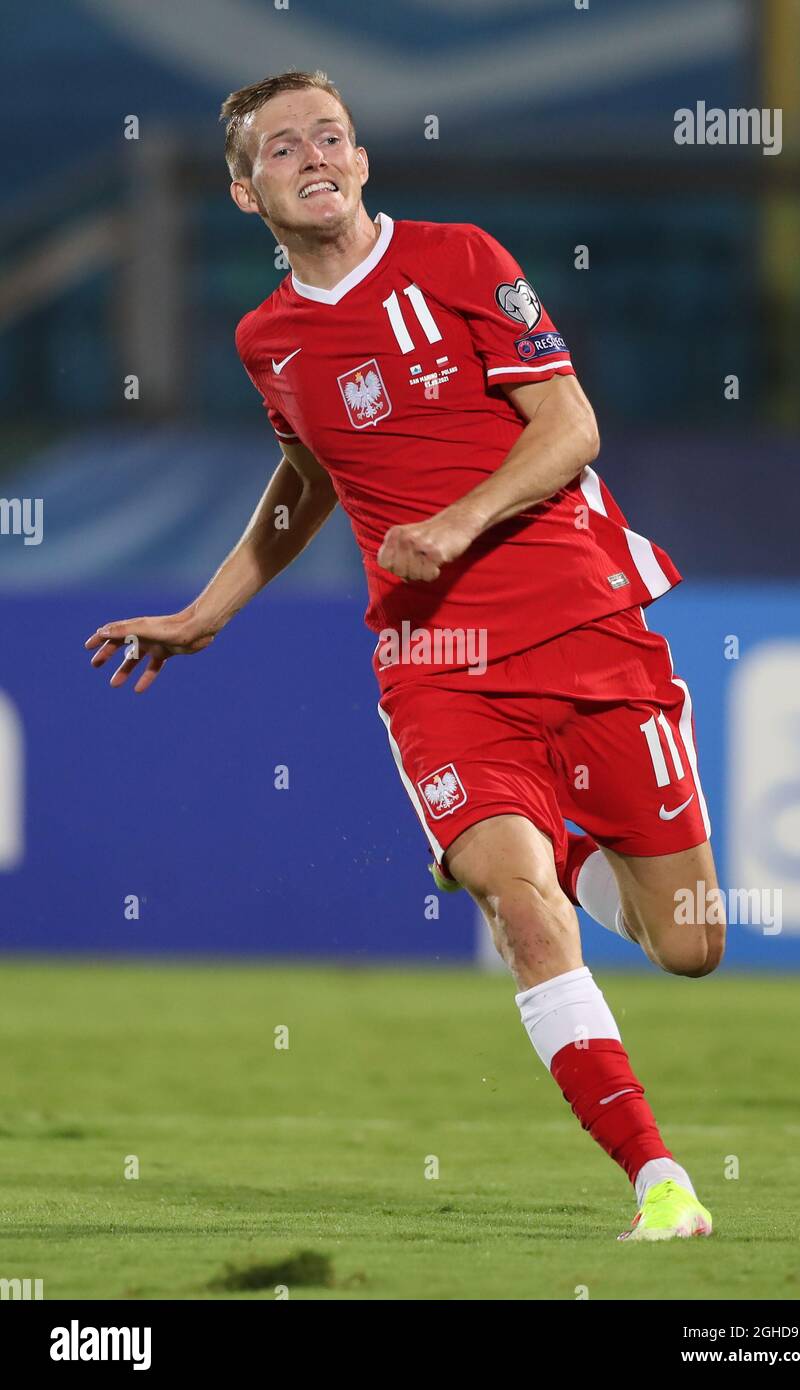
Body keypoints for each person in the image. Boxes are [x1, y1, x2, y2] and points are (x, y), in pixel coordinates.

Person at [86, 69, 723, 1241]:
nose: (314, 155)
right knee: (514, 905)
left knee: (689, 945)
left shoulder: (461, 259)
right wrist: (208, 609)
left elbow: (569, 425)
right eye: (282, 148)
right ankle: (658, 1180)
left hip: (585, 628)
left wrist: (457, 522)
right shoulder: (265, 338)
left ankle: (554, 846)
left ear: (364, 158)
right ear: (243, 191)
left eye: (330, 135)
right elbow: (310, 481)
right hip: (435, 662)